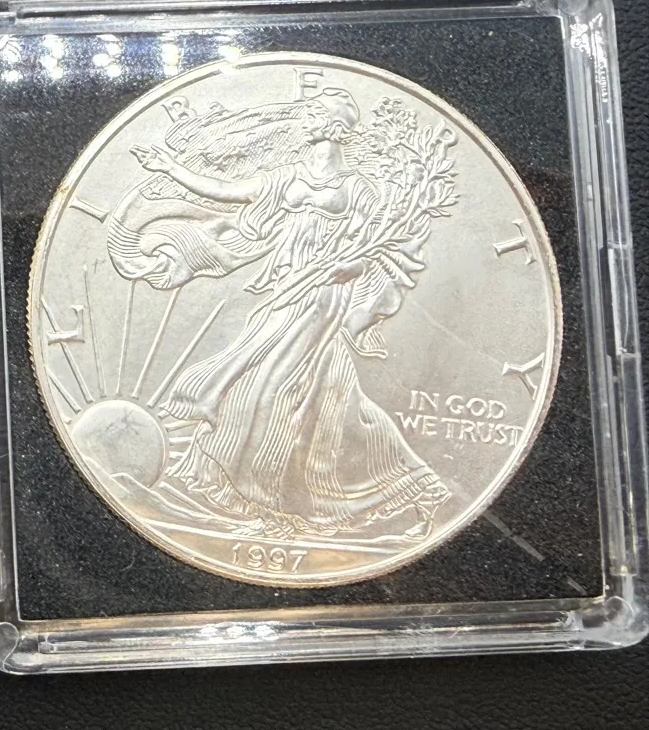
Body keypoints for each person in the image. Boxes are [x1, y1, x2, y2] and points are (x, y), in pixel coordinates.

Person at [118, 89, 449, 540]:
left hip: (323, 296)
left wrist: (352, 266)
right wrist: (170, 167)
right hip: (286, 291)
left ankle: (271, 506)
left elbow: (389, 248)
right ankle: (404, 490)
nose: (305, 117)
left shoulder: (357, 189)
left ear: (333, 125)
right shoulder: (287, 176)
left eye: (314, 113)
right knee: (319, 396)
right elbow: (228, 192)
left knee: (273, 389)